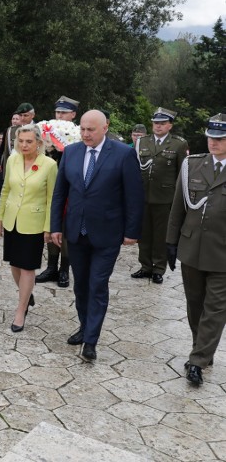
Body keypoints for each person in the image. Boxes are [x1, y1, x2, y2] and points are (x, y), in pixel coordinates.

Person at [50, 110, 144, 361]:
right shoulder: (71, 152)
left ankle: (91, 340)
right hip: (76, 233)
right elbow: (60, 194)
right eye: (82, 129)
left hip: (107, 234)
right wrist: (56, 227)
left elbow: (134, 196)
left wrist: (132, 232)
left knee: (97, 285)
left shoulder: (123, 154)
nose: (85, 134)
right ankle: (85, 327)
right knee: (80, 285)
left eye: (91, 129)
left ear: (105, 128)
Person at [166, 114, 226, 387]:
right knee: (195, 305)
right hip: (191, 249)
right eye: (211, 137)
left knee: (215, 309)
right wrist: (170, 241)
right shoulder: (192, 164)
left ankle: (198, 361)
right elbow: (179, 205)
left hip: (222, 254)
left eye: (220, 138)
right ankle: (201, 346)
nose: (214, 142)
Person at [0, 125, 57, 332]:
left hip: (34, 223)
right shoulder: (13, 160)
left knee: (27, 267)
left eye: (29, 141)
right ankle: (27, 293)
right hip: (12, 219)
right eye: (21, 141)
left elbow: (51, 199)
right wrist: (0, 216)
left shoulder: (49, 165)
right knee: (14, 264)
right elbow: (6, 189)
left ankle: (20, 311)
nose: (24, 145)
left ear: (39, 143)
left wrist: (49, 227)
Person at [132, 108, 188, 284]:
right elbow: (134, 169)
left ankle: (158, 268)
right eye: (156, 123)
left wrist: (179, 200)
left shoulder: (179, 144)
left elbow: (182, 173)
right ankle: (145, 266)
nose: (158, 126)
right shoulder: (142, 142)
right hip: (143, 196)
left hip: (165, 197)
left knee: (161, 235)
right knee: (144, 233)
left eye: (163, 123)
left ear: (170, 125)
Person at [36, 95, 79, 288]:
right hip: (51, 185)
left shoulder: (78, 135)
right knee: (52, 222)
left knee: (67, 226)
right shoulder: (47, 134)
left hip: (71, 188)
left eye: (64, 112)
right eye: (57, 112)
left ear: (73, 115)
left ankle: (64, 269)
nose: (59, 116)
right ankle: (51, 266)